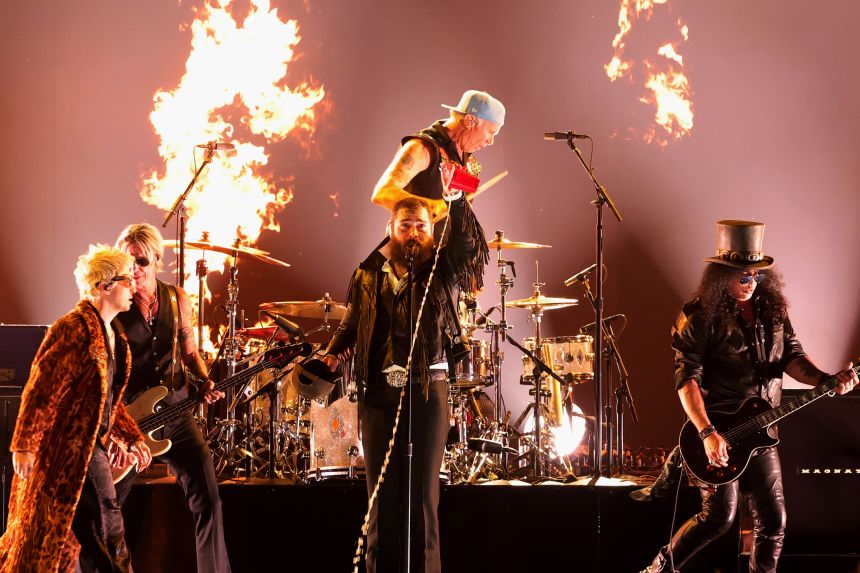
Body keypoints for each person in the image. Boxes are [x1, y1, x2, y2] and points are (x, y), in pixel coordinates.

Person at [323, 92, 498, 569]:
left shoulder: (441, 267)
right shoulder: (369, 271)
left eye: (421, 223)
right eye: (406, 223)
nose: (414, 229)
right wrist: (332, 357)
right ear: (393, 227)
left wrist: (456, 203)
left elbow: (465, 248)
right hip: (379, 391)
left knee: (424, 502)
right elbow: (353, 323)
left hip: (428, 390)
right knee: (380, 500)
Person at [640, 220, 858, 573]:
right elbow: (686, 380)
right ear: (722, 274)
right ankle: (659, 569)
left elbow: (791, 356)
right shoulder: (699, 316)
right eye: (743, 276)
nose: (750, 283)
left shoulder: (772, 309)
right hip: (719, 432)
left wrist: (826, 380)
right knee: (719, 519)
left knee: (773, 523)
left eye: (756, 275)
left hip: (762, 430)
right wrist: (707, 433)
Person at [0, 244, 151, 572]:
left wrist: (131, 437)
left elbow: (107, 402)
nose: (134, 287)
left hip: (90, 446)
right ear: (104, 286)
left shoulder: (114, 337)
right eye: (127, 280)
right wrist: (24, 445)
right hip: (68, 449)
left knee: (85, 534)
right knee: (107, 525)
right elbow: (41, 389)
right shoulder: (73, 328)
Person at [113, 223, 231, 573]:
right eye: (127, 260)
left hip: (176, 411)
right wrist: (118, 427)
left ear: (156, 261)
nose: (133, 268)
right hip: (132, 419)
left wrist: (206, 380)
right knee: (110, 505)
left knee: (208, 500)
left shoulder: (178, 298)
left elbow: (190, 351)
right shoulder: (116, 302)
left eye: (141, 261)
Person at [371, 89, 505, 218]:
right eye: (491, 132)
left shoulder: (470, 163)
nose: (491, 141)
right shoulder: (421, 148)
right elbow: (383, 193)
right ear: (469, 121)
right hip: (413, 240)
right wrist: (433, 207)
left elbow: (463, 216)